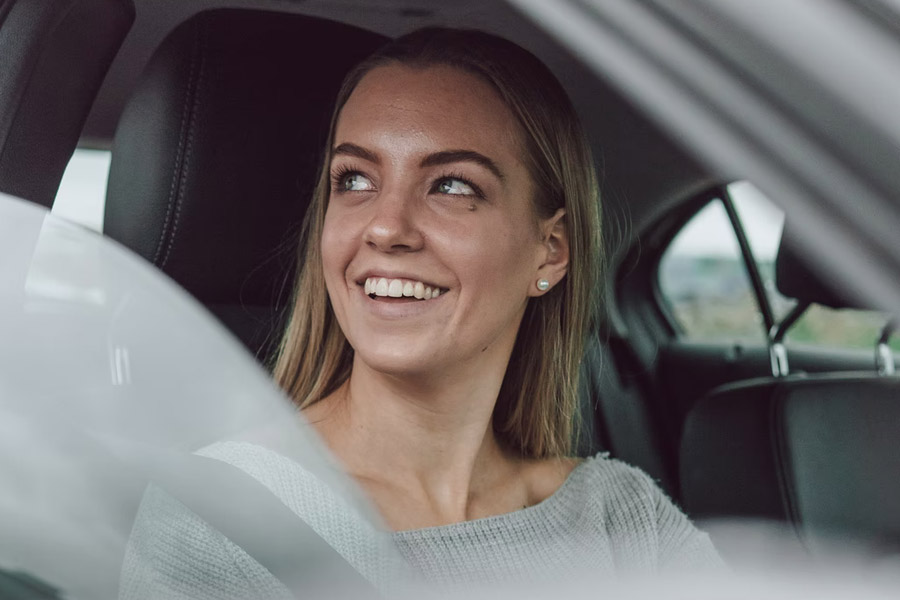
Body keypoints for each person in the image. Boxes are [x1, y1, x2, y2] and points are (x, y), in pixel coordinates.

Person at [121, 27, 722, 599]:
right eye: (354, 179)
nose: (386, 226)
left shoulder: (622, 519)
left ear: (551, 250)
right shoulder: (219, 519)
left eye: (452, 186)